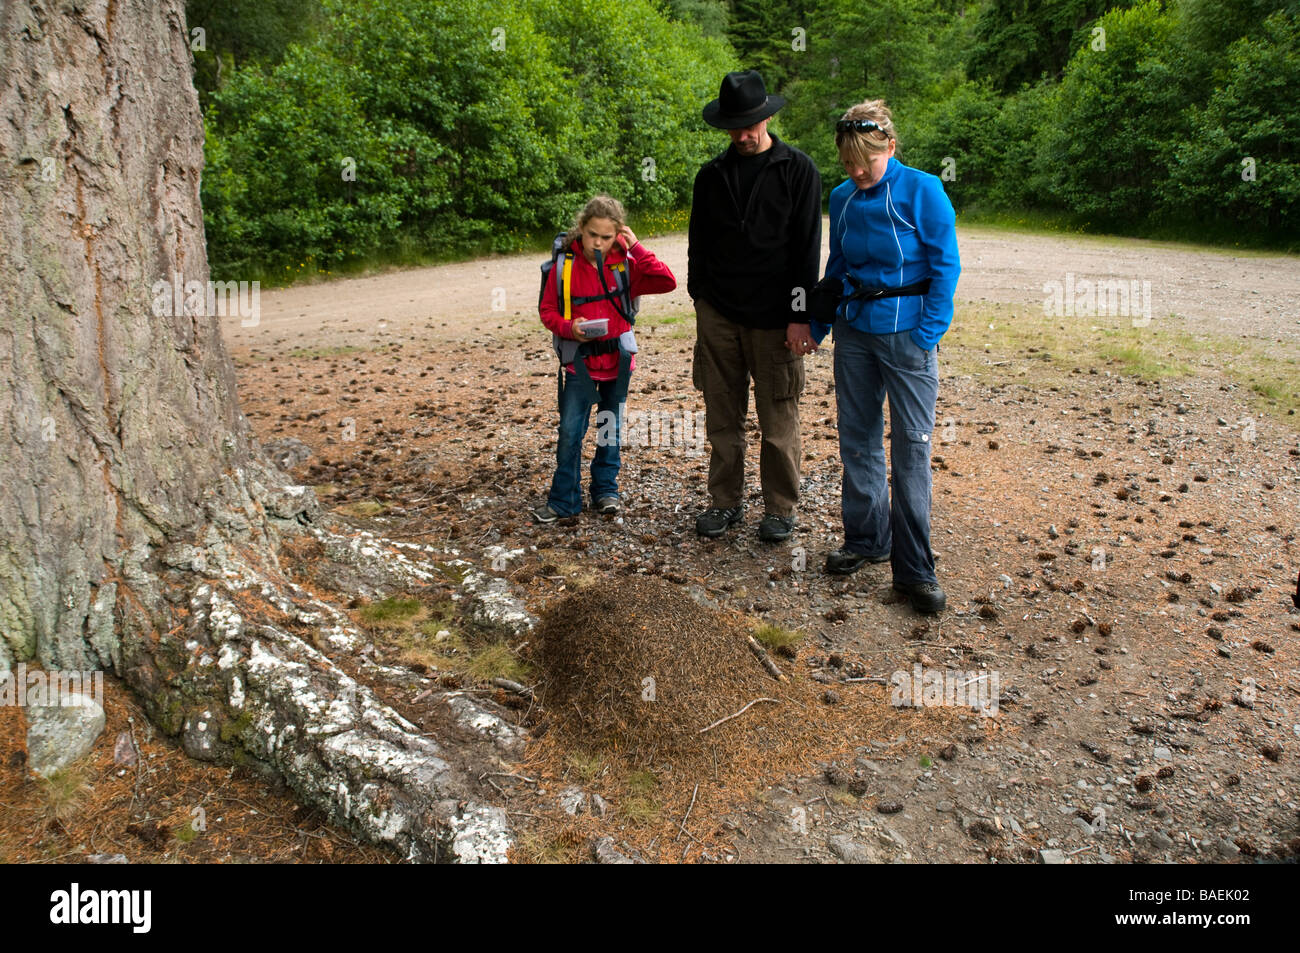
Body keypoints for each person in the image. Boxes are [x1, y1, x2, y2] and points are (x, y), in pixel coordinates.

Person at [811, 99, 960, 614]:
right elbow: (837, 267)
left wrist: (927, 334)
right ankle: (866, 538)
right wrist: (818, 323)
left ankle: (915, 569)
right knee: (857, 438)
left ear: (890, 148)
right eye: (848, 164)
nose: (856, 172)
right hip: (855, 332)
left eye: (866, 162)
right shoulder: (844, 198)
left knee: (912, 449)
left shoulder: (924, 190)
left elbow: (946, 267)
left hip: (907, 337)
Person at [688, 70, 822, 543]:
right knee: (721, 415)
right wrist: (699, 297)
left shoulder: (799, 170)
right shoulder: (711, 176)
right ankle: (724, 502)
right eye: (734, 126)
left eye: (750, 124)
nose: (743, 134)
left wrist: (800, 314)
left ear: (766, 117)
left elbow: (808, 248)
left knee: (778, 416)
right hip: (719, 313)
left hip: (775, 318)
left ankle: (780, 508)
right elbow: (697, 243)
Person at [534, 195, 676, 522]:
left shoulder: (626, 264)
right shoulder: (563, 268)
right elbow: (547, 312)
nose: (597, 242)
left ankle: (606, 490)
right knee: (571, 432)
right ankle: (563, 501)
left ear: (618, 235)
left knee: (609, 429)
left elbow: (667, 281)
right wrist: (571, 328)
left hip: (618, 364)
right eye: (592, 234)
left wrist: (637, 247)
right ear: (581, 229)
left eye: (606, 237)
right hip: (579, 365)